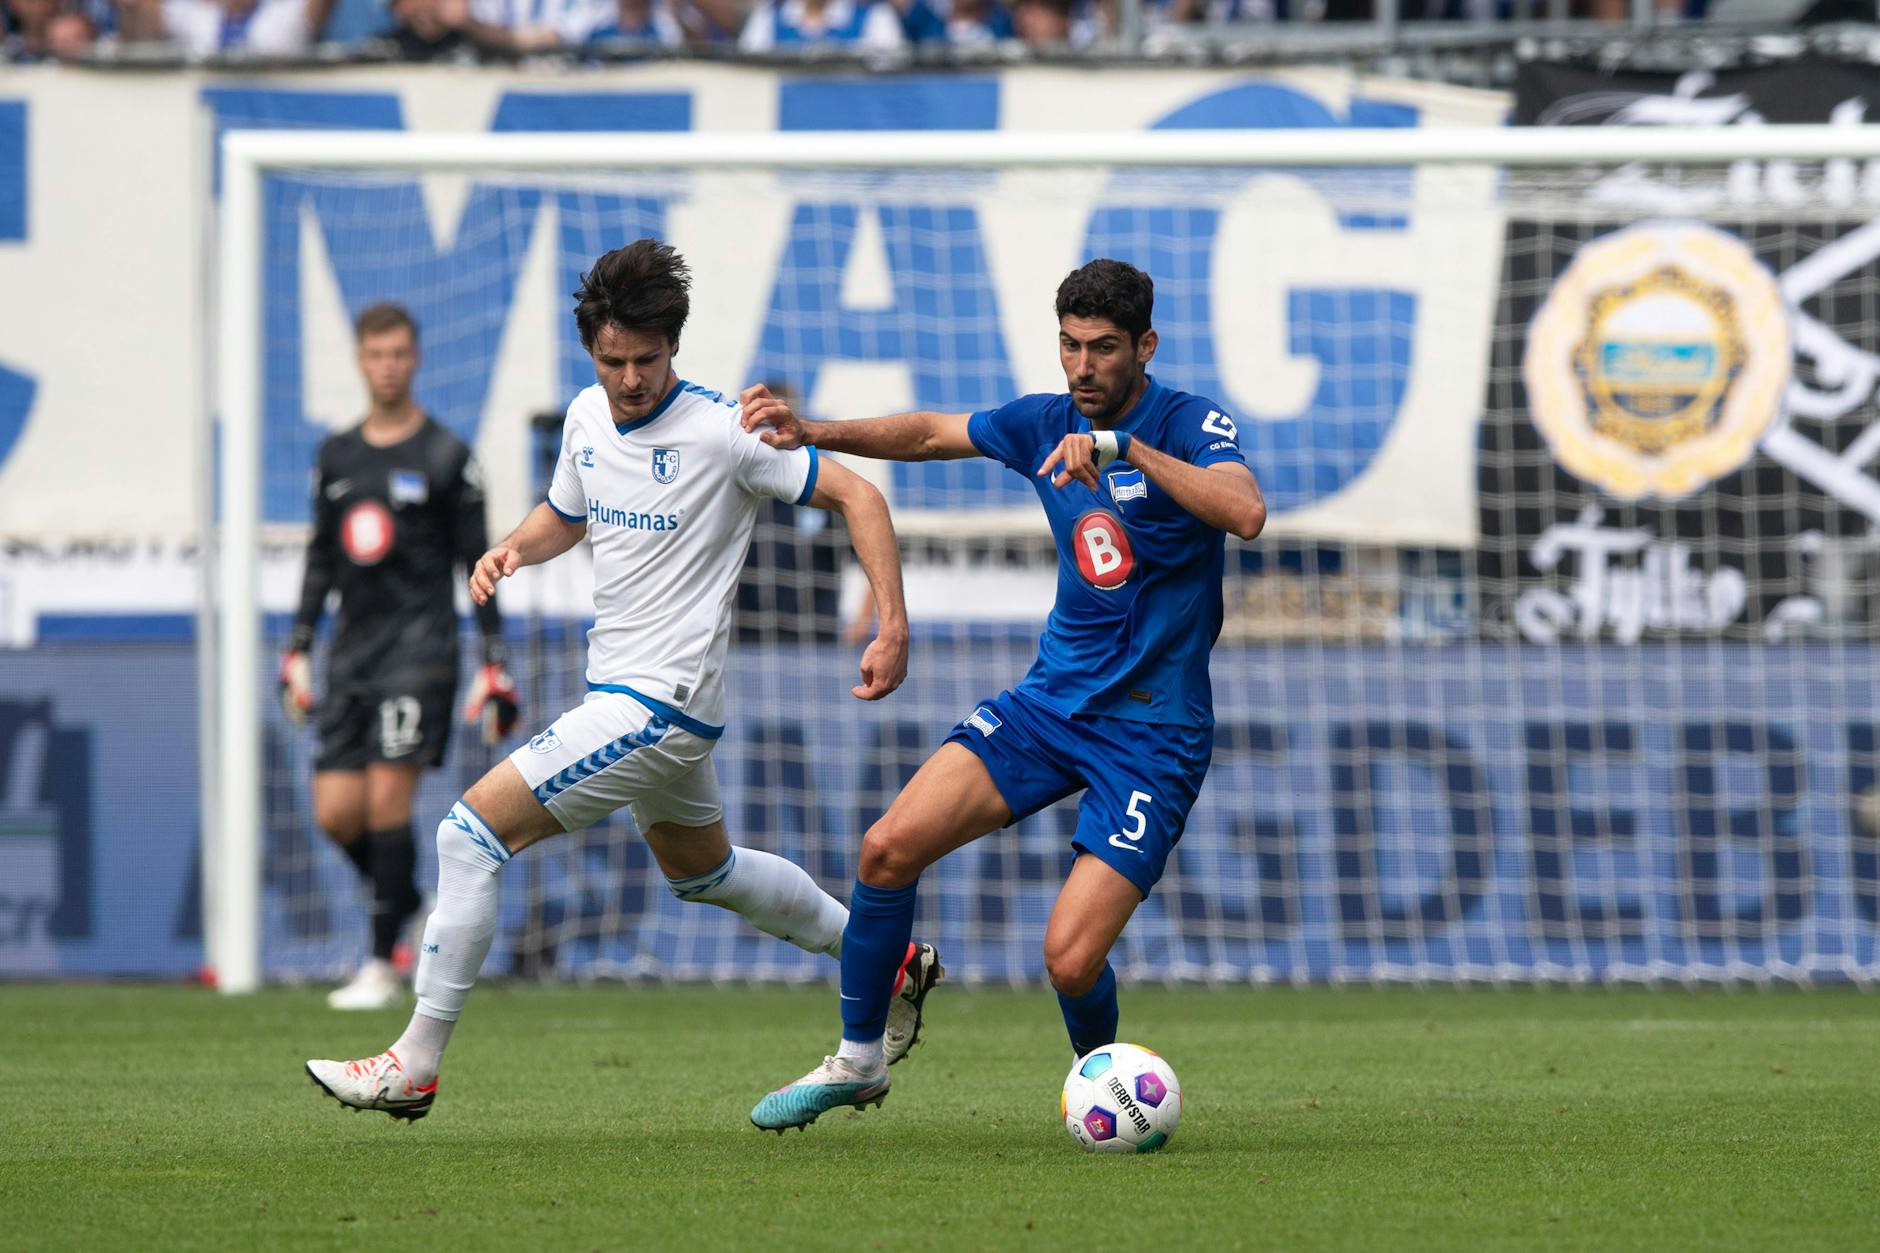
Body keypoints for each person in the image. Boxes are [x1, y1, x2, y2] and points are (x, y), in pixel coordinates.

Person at [305, 240, 941, 1120]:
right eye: (614, 360)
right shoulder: (584, 419)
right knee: (704, 873)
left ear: (673, 346)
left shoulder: (725, 431)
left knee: (467, 834)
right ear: (591, 351)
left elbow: (861, 498)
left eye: (647, 359)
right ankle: (887, 955)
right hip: (637, 699)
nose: (632, 377)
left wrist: (891, 620)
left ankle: (413, 1064)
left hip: (658, 703)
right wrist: (510, 550)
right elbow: (566, 516)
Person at [743, 258, 1265, 1132]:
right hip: (1047, 708)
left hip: (1154, 735)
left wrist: (1128, 449)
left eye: (1103, 348)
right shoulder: (1043, 424)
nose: (1083, 366)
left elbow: (1244, 511)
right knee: (886, 848)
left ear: (1146, 346)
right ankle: (860, 1060)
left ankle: (1102, 1084)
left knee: (1066, 960)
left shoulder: (1186, 422)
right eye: (1070, 345)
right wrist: (814, 429)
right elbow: (926, 435)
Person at [280, 303, 519, 1012]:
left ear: (415, 359)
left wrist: (492, 661)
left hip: (421, 655)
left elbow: (476, 565)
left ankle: (382, 960)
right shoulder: (337, 455)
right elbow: (321, 559)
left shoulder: (447, 455)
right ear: (360, 361)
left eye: (399, 353)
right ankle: (404, 897)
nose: (387, 365)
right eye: (375, 353)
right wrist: (297, 647)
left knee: (389, 801)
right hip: (350, 656)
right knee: (335, 814)